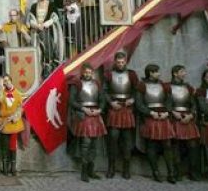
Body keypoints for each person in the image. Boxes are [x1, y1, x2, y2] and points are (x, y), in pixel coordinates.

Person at [136, 64, 176, 183]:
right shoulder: (142, 85)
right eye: (156, 72)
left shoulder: (163, 85)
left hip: (163, 116)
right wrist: (150, 113)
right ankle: (155, 172)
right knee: (151, 145)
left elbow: (169, 100)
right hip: (150, 117)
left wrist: (167, 112)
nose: (159, 74)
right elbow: (139, 103)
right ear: (150, 73)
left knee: (167, 145)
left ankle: (171, 173)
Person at [102, 50, 139, 179]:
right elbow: (104, 91)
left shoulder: (132, 75)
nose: (120, 64)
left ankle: (126, 169)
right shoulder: (108, 75)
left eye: (123, 62)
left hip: (127, 109)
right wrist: (111, 103)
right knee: (113, 138)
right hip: (114, 108)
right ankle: (111, 168)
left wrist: (133, 99)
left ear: (126, 62)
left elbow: (136, 90)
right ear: (115, 62)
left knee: (127, 141)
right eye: (118, 62)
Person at [69, 63, 107, 182]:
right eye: (86, 72)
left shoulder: (96, 84)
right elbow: (72, 101)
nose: (88, 74)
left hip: (95, 115)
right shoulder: (77, 84)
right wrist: (83, 109)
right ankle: (84, 172)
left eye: (90, 72)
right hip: (83, 115)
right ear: (82, 72)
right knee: (85, 144)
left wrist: (100, 109)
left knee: (94, 145)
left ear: (92, 73)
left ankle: (91, 170)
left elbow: (102, 99)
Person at [168, 65, 200, 181]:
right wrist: (173, 112)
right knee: (175, 146)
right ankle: (177, 171)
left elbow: (193, 103)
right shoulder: (168, 87)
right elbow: (166, 102)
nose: (184, 74)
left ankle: (192, 171)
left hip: (188, 117)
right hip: (175, 118)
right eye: (182, 72)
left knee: (192, 145)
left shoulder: (188, 87)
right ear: (175, 73)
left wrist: (191, 114)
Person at [0, 75, 24, 176]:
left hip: (13, 123)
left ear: (11, 80)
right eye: (4, 81)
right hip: (3, 123)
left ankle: (13, 168)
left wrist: (15, 117)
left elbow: (20, 108)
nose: (6, 83)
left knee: (12, 146)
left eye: (7, 81)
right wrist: (1, 87)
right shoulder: (1, 93)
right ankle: (5, 168)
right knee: (4, 146)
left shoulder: (18, 94)